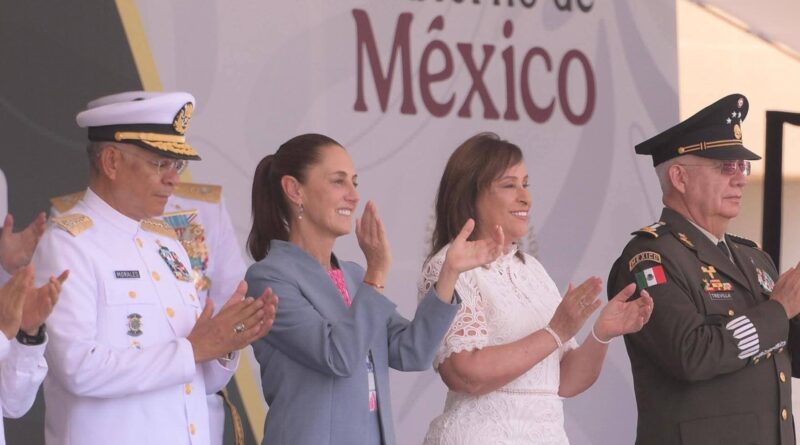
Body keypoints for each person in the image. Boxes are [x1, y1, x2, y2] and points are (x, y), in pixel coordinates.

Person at [33, 91, 278, 445]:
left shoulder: (166, 243)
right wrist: (194, 349)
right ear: (112, 162)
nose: (173, 180)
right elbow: (77, 368)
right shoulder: (68, 244)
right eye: (160, 164)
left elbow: (196, 378)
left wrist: (224, 342)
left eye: (176, 165)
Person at [244, 133, 505, 445]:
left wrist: (450, 273)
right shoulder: (268, 278)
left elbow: (412, 351)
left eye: (355, 182)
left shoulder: (354, 277)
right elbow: (337, 356)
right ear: (294, 189)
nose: (354, 196)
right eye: (338, 181)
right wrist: (377, 271)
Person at [420, 133, 654, 445]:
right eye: (508, 185)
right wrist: (555, 331)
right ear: (470, 195)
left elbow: (565, 381)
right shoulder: (449, 267)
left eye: (525, 185)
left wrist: (601, 333)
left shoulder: (532, 269)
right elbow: (464, 373)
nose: (525, 198)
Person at [608, 94, 800, 444]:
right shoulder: (650, 258)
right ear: (680, 178)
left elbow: (788, 355)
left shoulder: (754, 258)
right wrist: (779, 309)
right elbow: (691, 354)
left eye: (743, 167)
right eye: (726, 167)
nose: (740, 179)